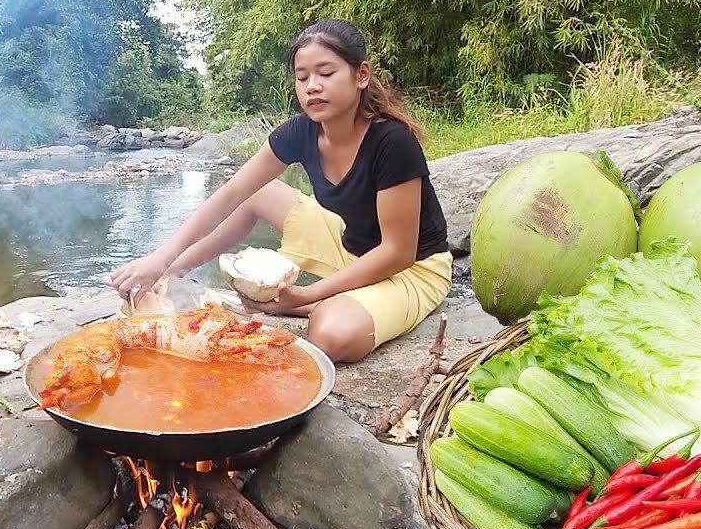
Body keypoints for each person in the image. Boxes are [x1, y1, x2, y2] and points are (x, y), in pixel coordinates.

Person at [104, 19, 451, 363]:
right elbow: (230, 195)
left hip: (411, 269)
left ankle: (320, 306)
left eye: (326, 73)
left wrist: (303, 296)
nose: (312, 86)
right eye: (303, 78)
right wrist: (161, 261)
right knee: (258, 192)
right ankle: (169, 278)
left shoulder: (392, 141)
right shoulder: (301, 131)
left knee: (333, 336)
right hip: (349, 245)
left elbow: (397, 252)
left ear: (361, 75)